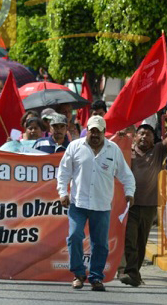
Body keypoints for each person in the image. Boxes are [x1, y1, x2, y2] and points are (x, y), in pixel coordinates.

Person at [57, 115, 136, 292]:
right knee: (75, 236)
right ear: (87, 130)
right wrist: (63, 192)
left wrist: (129, 193)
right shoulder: (75, 147)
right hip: (78, 203)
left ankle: (96, 278)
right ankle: (78, 274)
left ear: (103, 132)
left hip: (101, 206)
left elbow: (126, 175)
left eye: (98, 132)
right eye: (91, 131)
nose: (94, 135)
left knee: (100, 244)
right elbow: (63, 173)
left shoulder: (113, 150)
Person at [120, 110, 167, 287]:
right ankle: (130, 271)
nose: (144, 137)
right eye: (141, 133)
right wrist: (120, 135)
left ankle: (134, 273)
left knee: (141, 241)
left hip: (149, 205)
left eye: (148, 134)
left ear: (154, 139)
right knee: (129, 239)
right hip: (130, 204)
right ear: (135, 137)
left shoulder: (158, 150)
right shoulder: (126, 151)